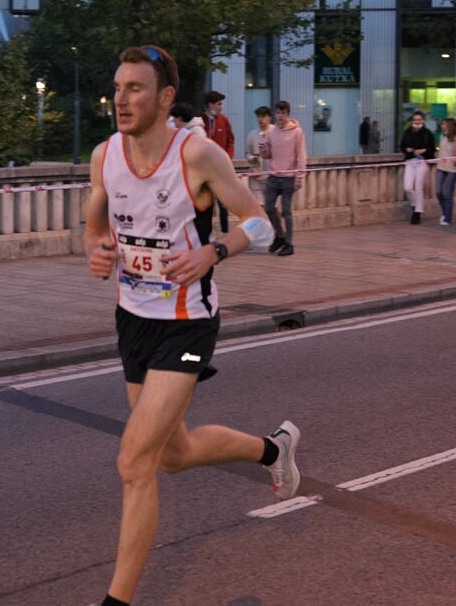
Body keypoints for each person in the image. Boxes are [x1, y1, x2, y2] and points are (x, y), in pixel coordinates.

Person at [84, 45, 301, 606]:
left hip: (187, 323)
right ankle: (272, 451)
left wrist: (214, 251)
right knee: (173, 455)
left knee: (134, 461)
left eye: (135, 88)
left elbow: (259, 223)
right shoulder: (105, 155)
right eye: (118, 87)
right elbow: (93, 226)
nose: (121, 98)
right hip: (133, 319)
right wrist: (98, 250)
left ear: (165, 98)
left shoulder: (198, 155)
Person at [259, 100, 308, 256]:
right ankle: (279, 236)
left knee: (286, 211)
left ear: (288, 114)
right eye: (278, 113)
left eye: (283, 113)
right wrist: (264, 151)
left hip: (289, 176)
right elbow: (268, 155)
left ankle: (289, 243)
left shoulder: (297, 132)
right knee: (268, 207)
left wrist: (299, 176)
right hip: (274, 175)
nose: (280, 116)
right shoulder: (271, 132)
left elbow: (301, 155)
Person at [200, 90, 235, 233]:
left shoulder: (224, 120)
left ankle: (225, 232)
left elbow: (230, 141)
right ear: (210, 105)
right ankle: (206, 234)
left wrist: (227, 158)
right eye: (219, 104)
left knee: (223, 204)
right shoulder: (199, 120)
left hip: (221, 169)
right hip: (203, 170)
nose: (221, 107)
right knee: (206, 204)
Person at [399, 111, 436, 224]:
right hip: (410, 160)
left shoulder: (427, 133)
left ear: (423, 120)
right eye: (415, 120)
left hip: (422, 161)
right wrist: (407, 149)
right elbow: (402, 145)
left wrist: (423, 150)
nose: (417, 122)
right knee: (407, 187)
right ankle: (415, 204)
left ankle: (417, 213)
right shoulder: (408, 132)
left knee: (419, 187)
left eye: (419, 120)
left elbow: (432, 148)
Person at [244, 105, 274, 206]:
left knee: (272, 206)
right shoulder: (252, 134)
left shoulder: (275, 132)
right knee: (258, 205)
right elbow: (247, 152)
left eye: (263, 116)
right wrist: (252, 158)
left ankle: (273, 222)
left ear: (270, 117)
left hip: (272, 174)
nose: (261, 119)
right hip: (256, 173)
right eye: (259, 116)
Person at [435, 118, 456, 226]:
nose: (442, 126)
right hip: (441, 167)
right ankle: (445, 212)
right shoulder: (442, 136)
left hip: (452, 169)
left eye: (444, 124)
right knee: (438, 191)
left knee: (448, 193)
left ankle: (448, 218)